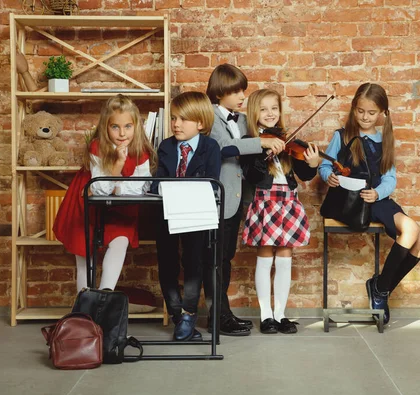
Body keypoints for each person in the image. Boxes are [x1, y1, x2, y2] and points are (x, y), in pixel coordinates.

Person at [318, 83, 420, 324]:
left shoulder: (384, 140)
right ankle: (380, 290)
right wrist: (330, 176)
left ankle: (380, 287)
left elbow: (390, 179)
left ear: (382, 113)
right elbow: (325, 165)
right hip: (352, 202)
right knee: (411, 231)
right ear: (353, 109)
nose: (365, 117)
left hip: (376, 200)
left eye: (371, 113)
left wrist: (378, 194)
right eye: (360, 111)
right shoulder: (342, 135)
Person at [203, 64, 285, 336]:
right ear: (220, 92)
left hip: (237, 199)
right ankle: (217, 315)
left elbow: (250, 145)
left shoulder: (240, 120)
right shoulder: (210, 116)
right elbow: (223, 147)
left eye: (243, 91)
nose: (242, 96)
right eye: (236, 91)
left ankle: (222, 313)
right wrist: (260, 144)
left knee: (225, 257)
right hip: (217, 198)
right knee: (215, 258)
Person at [53, 95, 156, 292]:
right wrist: (117, 166)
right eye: (115, 127)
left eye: (128, 126)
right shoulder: (97, 147)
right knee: (85, 254)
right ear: (105, 127)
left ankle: (104, 298)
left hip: (121, 209)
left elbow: (141, 187)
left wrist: (118, 187)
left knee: (120, 241)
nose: (122, 133)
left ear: (136, 126)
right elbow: (99, 189)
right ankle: (85, 307)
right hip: (87, 206)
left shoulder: (141, 151)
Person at [240, 89, 321, 334]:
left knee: (285, 258)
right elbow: (251, 175)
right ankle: (266, 317)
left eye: (274, 108)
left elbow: (304, 174)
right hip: (264, 202)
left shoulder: (288, 142)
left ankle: (281, 314)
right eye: (263, 109)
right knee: (265, 257)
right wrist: (264, 151)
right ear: (254, 112)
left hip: (288, 202)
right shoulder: (251, 142)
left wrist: (313, 164)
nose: (269, 113)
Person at [151, 91, 221, 341]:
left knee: (193, 264)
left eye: (183, 119)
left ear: (200, 123)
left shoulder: (211, 147)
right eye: (173, 118)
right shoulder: (166, 146)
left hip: (196, 214)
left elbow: (213, 182)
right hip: (167, 213)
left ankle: (190, 313)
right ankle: (177, 317)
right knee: (167, 263)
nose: (176, 124)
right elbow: (158, 179)